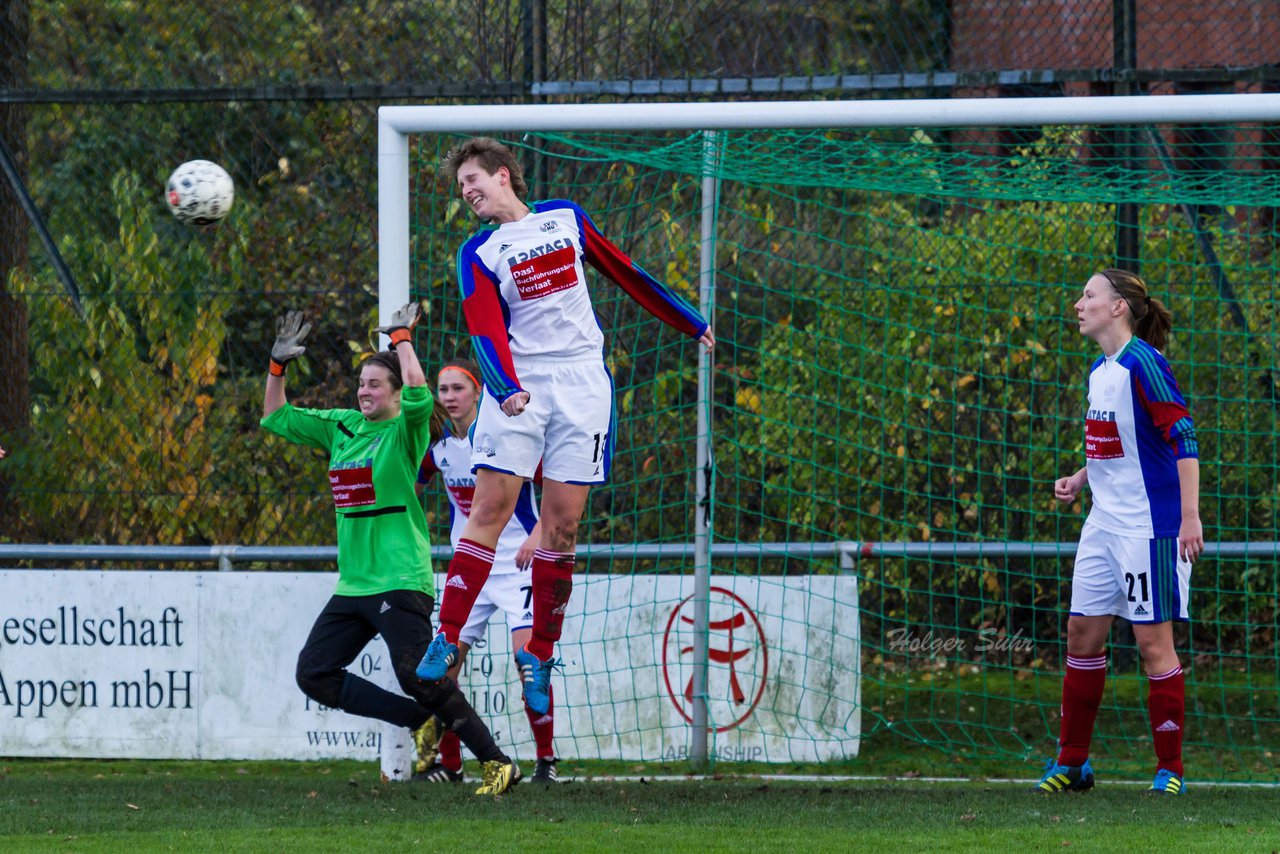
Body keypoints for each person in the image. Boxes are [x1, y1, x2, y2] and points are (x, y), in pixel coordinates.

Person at [416, 137, 715, 717]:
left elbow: (625, 270)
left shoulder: (565, 219)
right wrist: (503, 388)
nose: (467, 192)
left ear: (503, 175)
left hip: (584, 385)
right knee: (488, 512)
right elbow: (484, 329)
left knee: (563, 528)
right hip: (523, 388)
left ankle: (540, 654)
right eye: (460, 188)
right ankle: (447, 635)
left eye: (473, 180)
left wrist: (688, 320)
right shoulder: (479, 250)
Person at [260, 305, 520, 796]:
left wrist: (402, 338)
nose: (364, 390)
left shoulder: (406, 429)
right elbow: (275, 416)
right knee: (314, 674)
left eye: (376, 384)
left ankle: (497, 764)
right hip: (355, 584)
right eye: (362, 382)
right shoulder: (340, 427)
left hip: (401, 579)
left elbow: (422, 393)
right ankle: (416, 719)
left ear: (397, 394)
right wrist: (278, 366)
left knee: (416, 673)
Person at [1037, 268, 1203, 796]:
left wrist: (1190, 518)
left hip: (1147, 529)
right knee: (1081, 635)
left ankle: (1170, 770)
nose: (1078, 304)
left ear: (1118, 308)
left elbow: (1183, 437)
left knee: (1154, 644)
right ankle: (1073, 763)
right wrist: (1080, 477)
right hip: (1102, 526)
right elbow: (1117, 442)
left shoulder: (1144, 365)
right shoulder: (1100, 370)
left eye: (1088, 295)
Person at [414, 358, 561, 785]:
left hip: (519, 563)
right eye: (443, 390)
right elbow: (414, 487)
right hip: (473, 568)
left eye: (458, 389)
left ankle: (546, 762)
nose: (449, 397)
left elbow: (553, 481)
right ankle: (451, 765)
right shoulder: (437, 445)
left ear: (478, 392)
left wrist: (539, 536)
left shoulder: (501, 436)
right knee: (443, 669)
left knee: (528, 660)